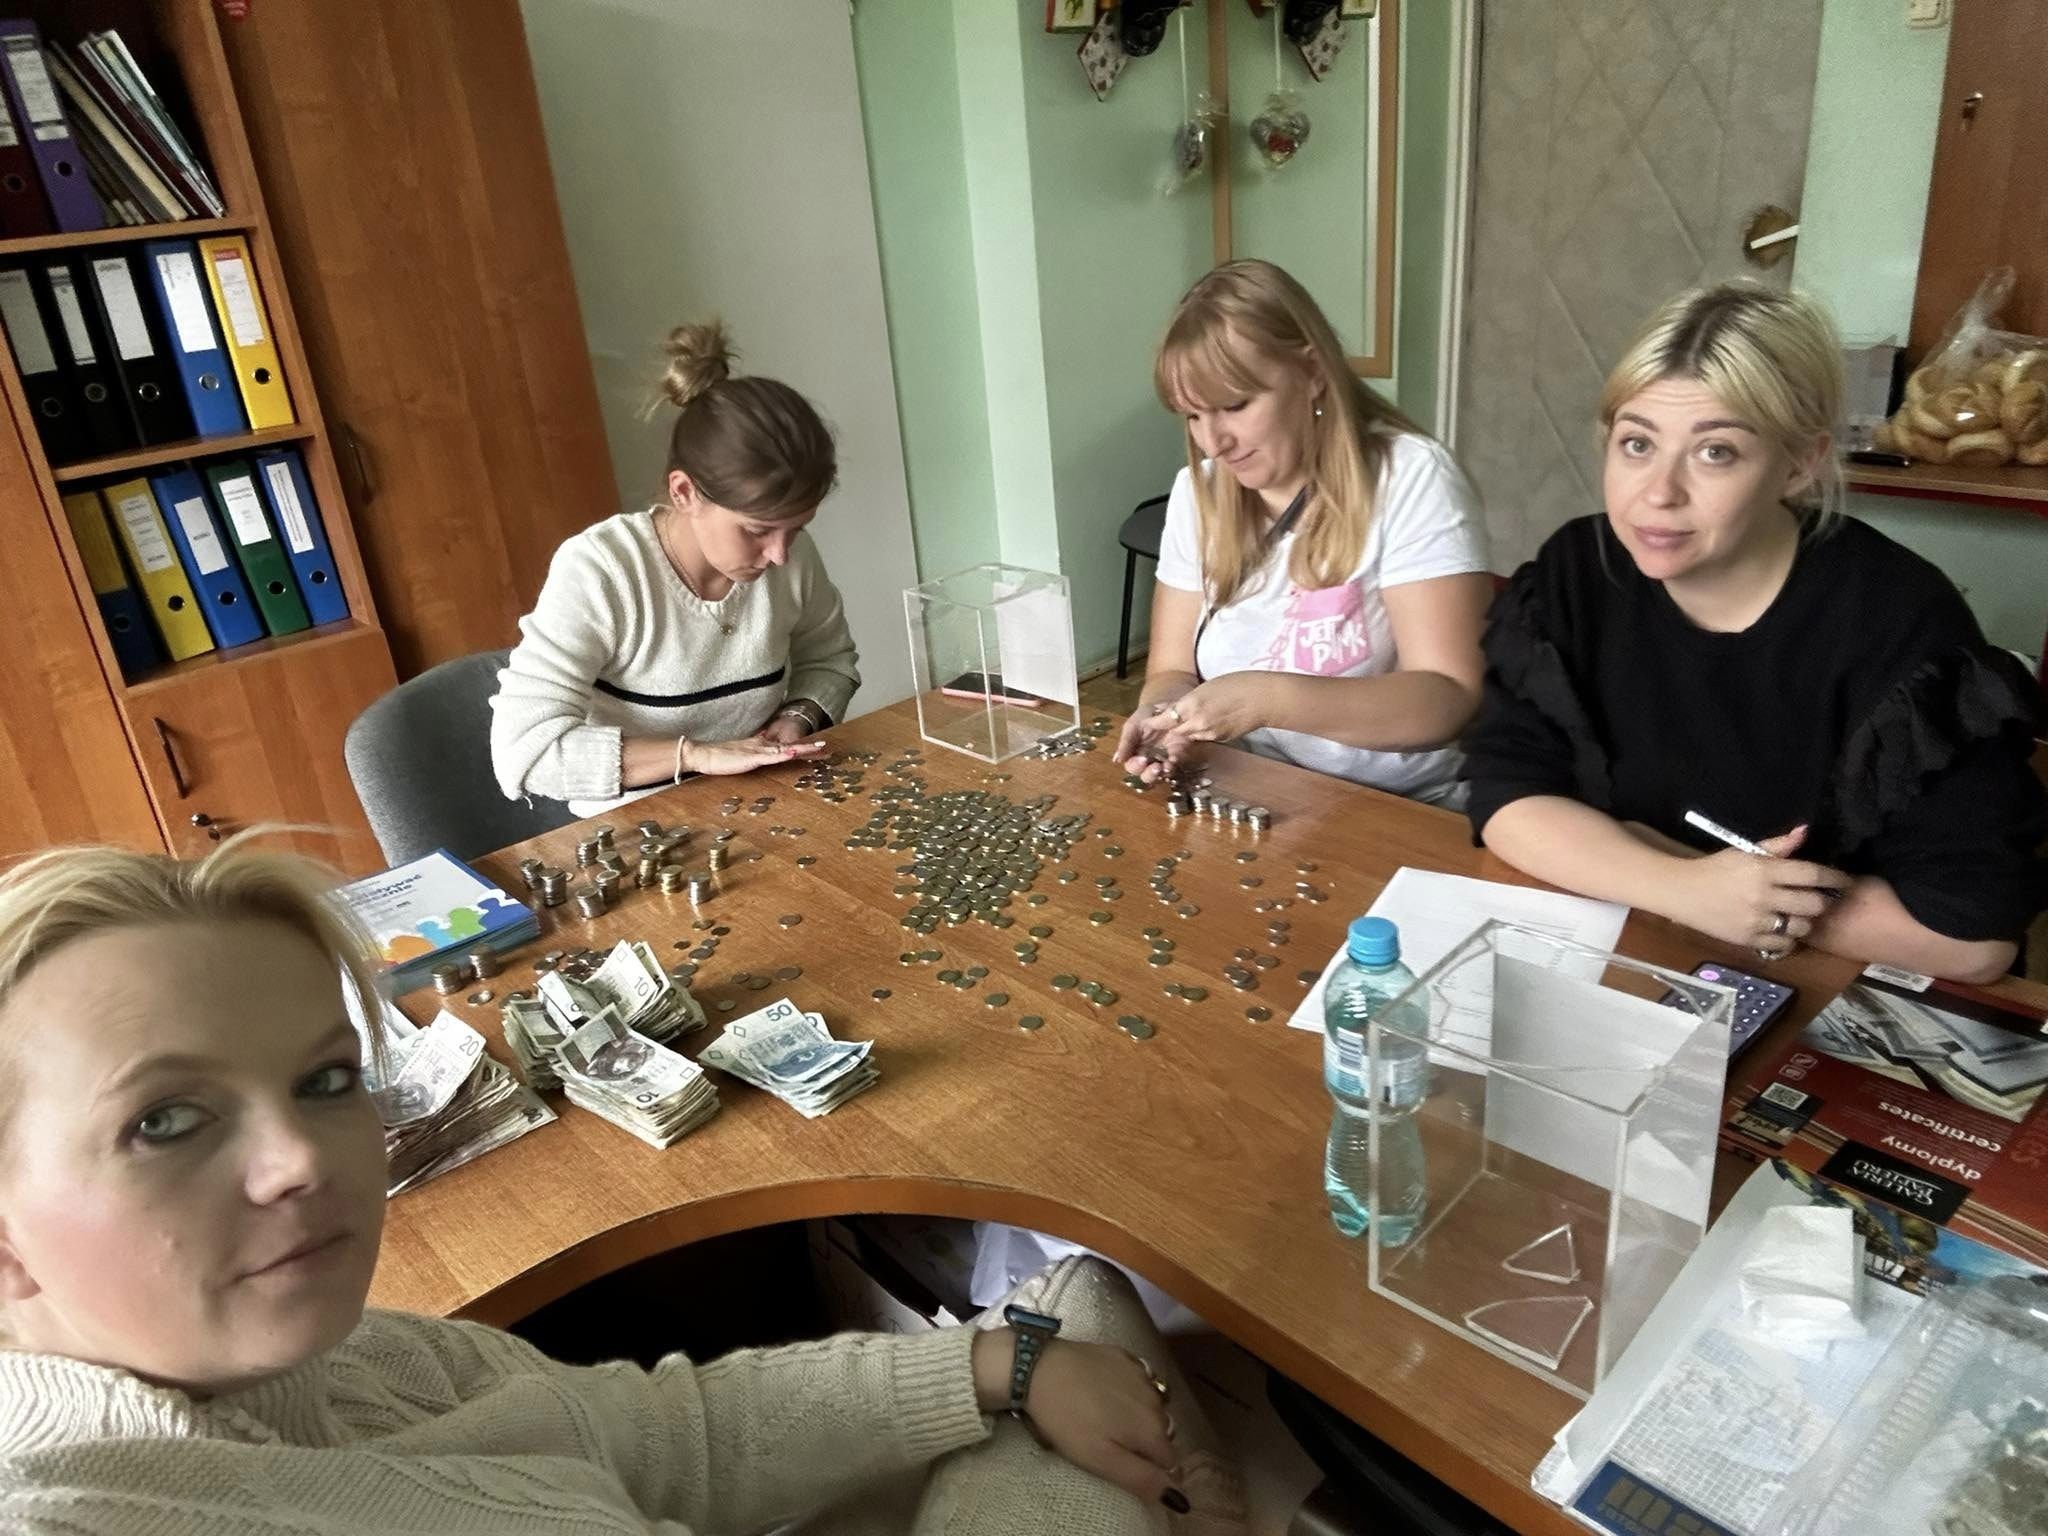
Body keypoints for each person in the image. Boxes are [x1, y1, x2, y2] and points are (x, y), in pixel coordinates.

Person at [0, 837, 1246, 1535]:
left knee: (1072, 1319)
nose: (299, 1163)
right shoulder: (74, 1514)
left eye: (325, 1081)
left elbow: (653, 1434)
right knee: (1099, 1388)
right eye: (164, 1120)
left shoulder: (359, 1355)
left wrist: (994, 1368)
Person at [1464, 280, 2046, 984]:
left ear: (1799, 464)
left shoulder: (1899, 619)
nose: (1658, 493)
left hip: (1810, 985)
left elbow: (1973, 942)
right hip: (1626, 945)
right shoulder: (1576, 571)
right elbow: (1506, 796)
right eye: (1637, 443)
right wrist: (1684, 886)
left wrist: (1689, 876)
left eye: (1716, 452)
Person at [1113, 259, 1493, 808]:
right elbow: (1171, 669)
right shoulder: (1198, 492)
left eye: (1235, 405)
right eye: (1192, 416)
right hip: (1253, 790)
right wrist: (1165, 716)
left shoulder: (1411, 478)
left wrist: (1269, 698)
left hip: (1403, 807)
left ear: (1312, 372)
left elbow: (1449, 697)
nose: (1213, 442)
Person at [491, 320, 861, 815]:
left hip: (762, 806)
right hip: (635, 825)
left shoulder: (792, 556)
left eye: (796, 528)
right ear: (684, 492)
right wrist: (696, 755)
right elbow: (524, 753)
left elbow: (830, 660)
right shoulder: (602, 571)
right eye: (756, 530)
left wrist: (800, 716)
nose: (779, 555)